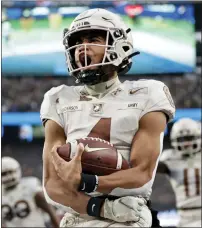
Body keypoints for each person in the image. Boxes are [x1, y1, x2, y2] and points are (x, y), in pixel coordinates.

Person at [40, 8, 175, 227]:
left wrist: (83, 182)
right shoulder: (57, 98)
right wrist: (101, 208)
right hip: (79, 217)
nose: (81, 48)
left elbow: (141, 175)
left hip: (129, 213)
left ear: (119, 44)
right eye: (77, 41)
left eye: (93, 39)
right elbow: (52, 185)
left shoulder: (148, 93)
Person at [158, 118, 201, 227]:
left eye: (189, 138)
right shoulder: (169, 158)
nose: (186, 143)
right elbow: (153, 170)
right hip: (183, 216)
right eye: (182, 139)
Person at [1, 156, 60, 227]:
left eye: (10, 172)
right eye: (3, 174)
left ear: (17, 170)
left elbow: (51, 213)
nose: (8, 176)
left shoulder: (30, 186)